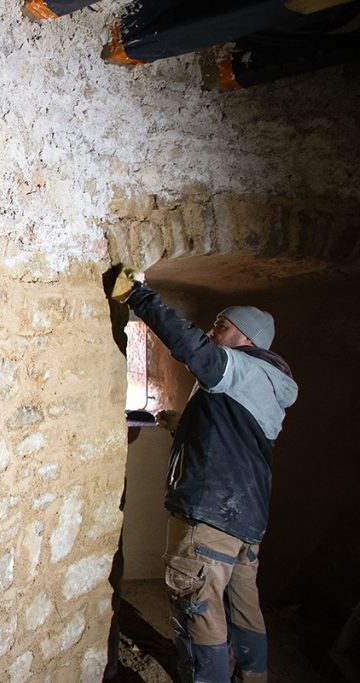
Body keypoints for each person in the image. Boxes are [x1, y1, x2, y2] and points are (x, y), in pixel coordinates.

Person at [109, 269, 298, 683]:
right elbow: (232, 435)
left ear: (246, 339)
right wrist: (180, 426)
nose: (213, 332)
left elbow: (190, 346)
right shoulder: (267, 381)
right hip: (244, 521)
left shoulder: (243, 370)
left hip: (210, 518)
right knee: (243, 606)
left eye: (222, 326)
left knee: (200, 613)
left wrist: (137, 296)